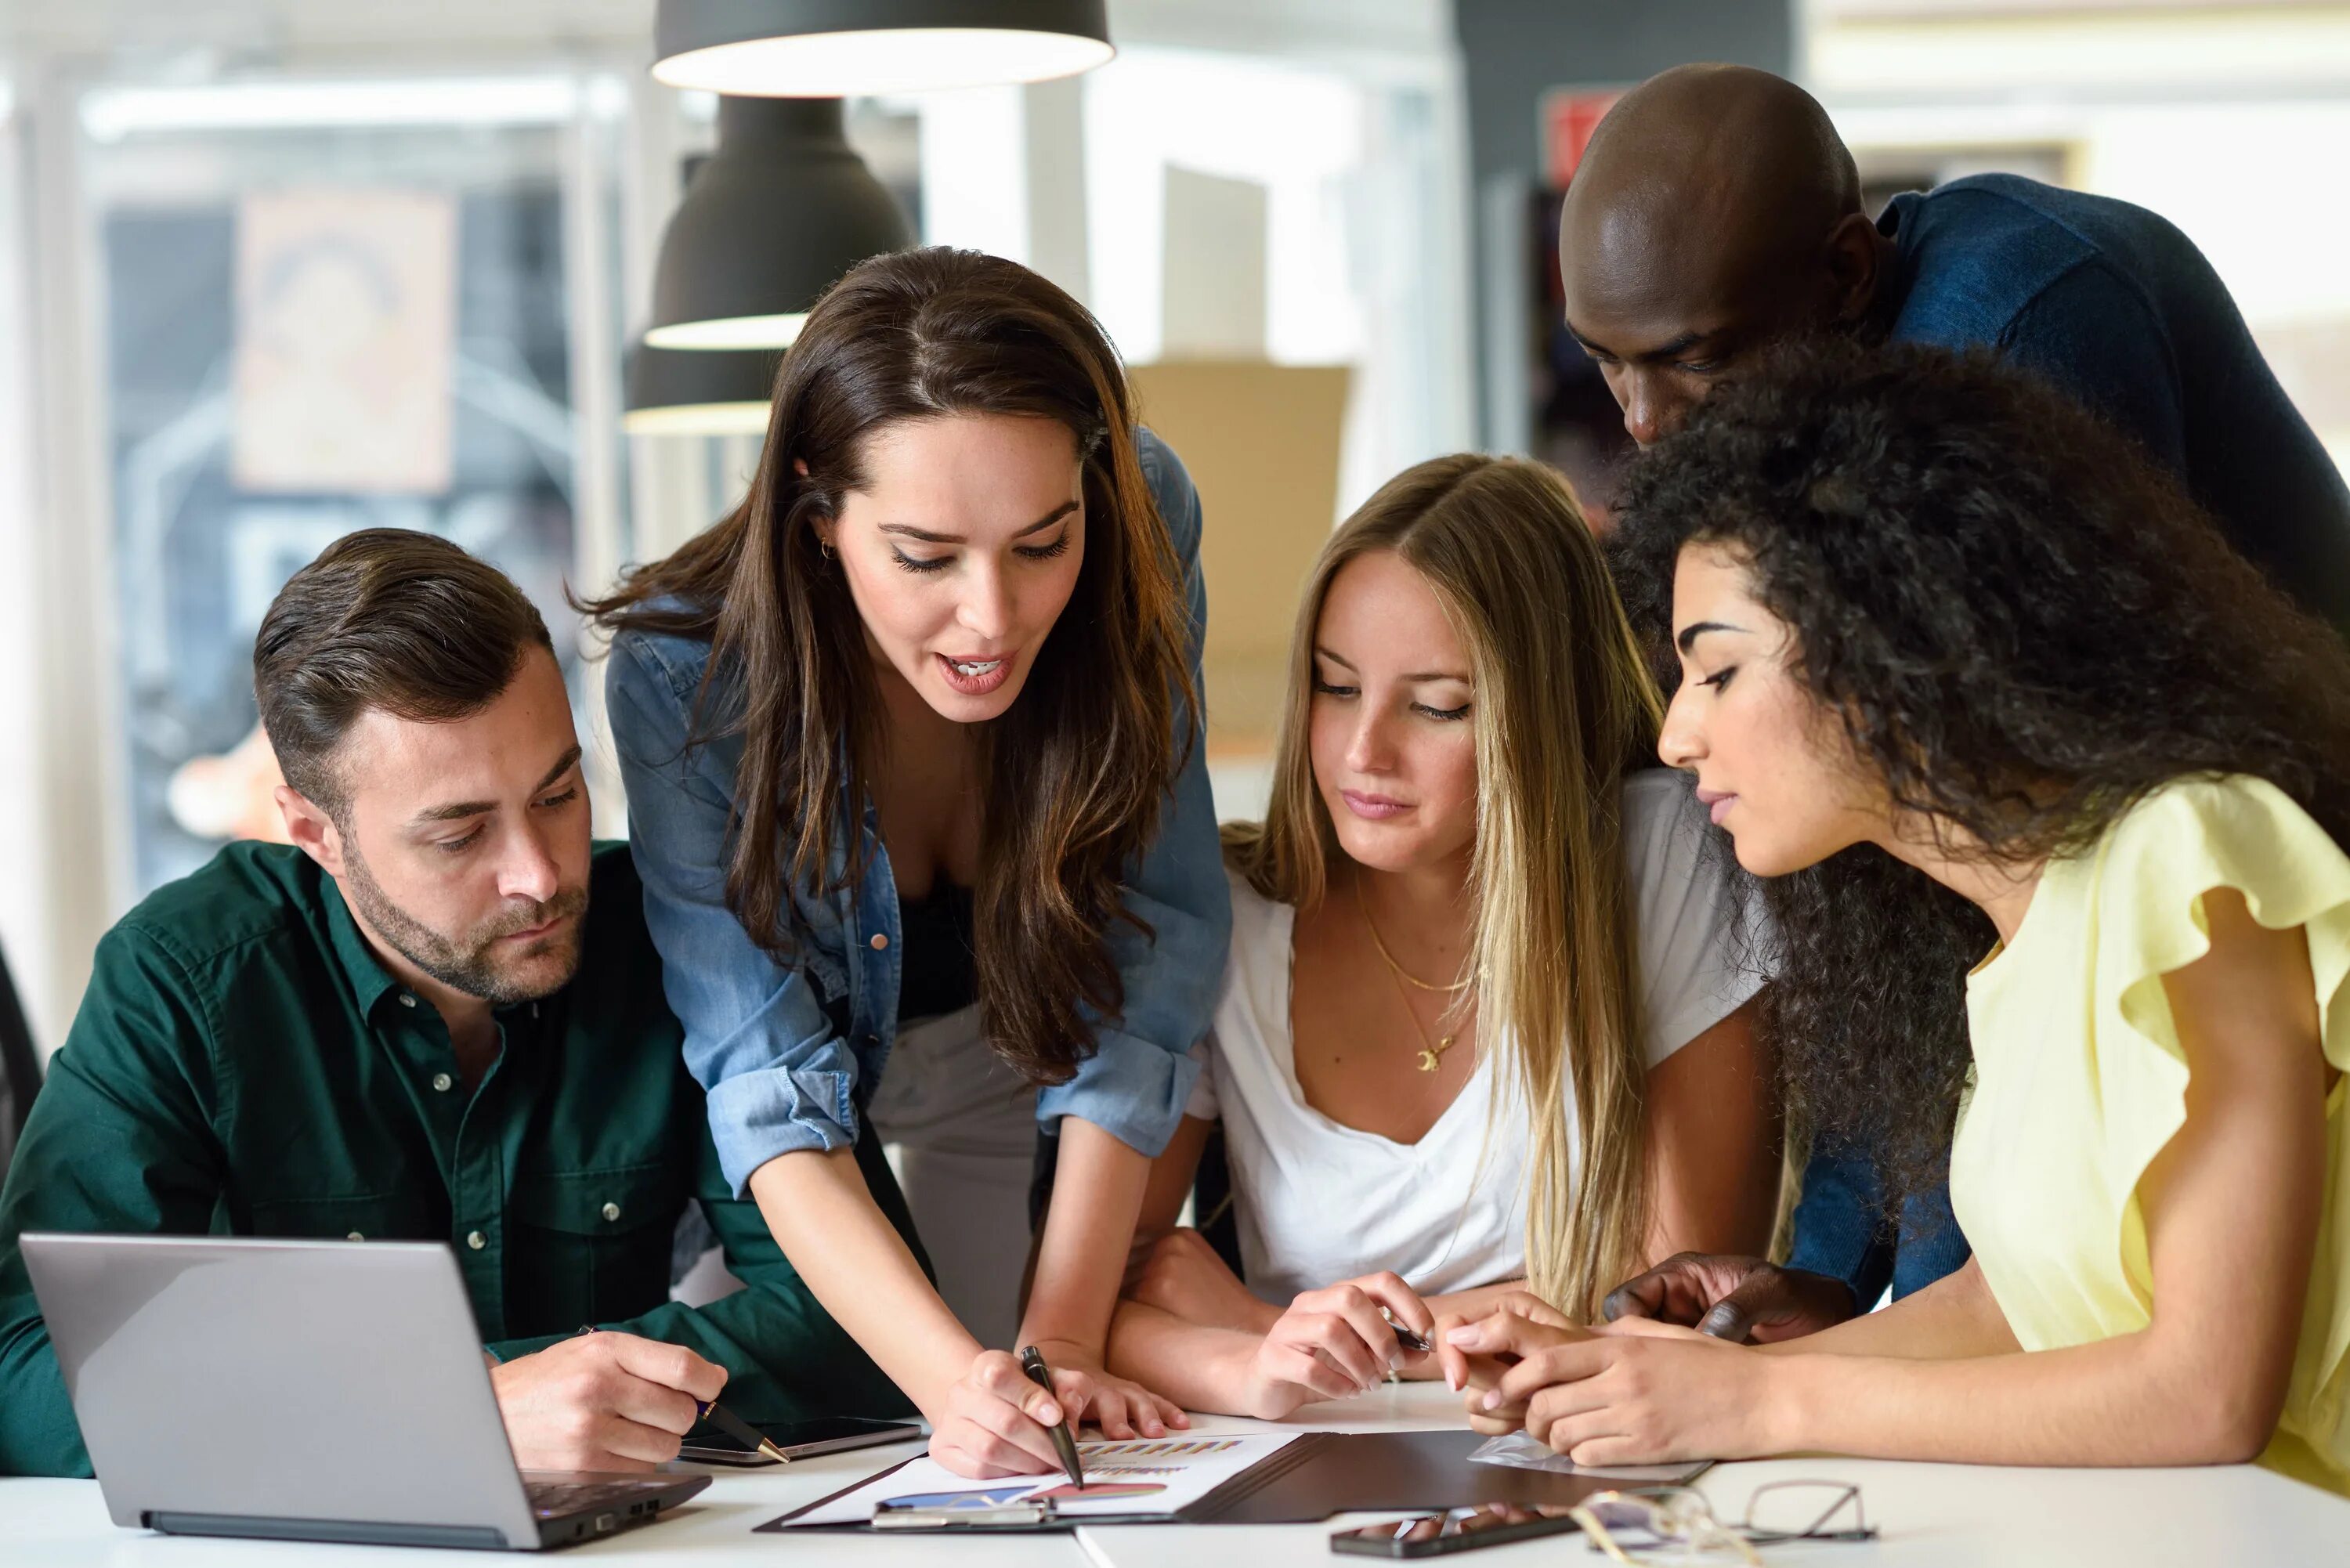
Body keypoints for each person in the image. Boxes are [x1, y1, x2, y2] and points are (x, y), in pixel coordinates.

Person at [1446, 340, 2350, 1494]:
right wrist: (1637, 1370)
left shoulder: (2189, 860)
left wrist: (1761, 1396)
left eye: (1716, 672)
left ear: (1890, 641)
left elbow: (2208, 1389)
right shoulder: (2011, 932)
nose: (1676, 736)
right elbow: (2017, 1306)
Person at [1556, 61, 2350, 1335]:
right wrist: (1829, 1272)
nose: (1646, 423)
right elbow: (1887, 885)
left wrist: (1887, 1319)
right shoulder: (1811, 424)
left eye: (1691, 359)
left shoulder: (2017, 337)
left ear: (1848, 278)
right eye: (1605, 365)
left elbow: (1979, 892)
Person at [0, 530, 898, 1478]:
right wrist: (446, 1410)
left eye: (559, 794)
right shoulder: (184, 980)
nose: (540, 875)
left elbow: (865, 1323)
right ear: (314, 832)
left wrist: (525, 1397)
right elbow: (25, 1374)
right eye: (459, 834)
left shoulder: (673, 940)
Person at [588, 247, 1231, 1481]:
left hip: (1031, 1049)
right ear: (817, 514)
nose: (992, 617)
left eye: (1044, 543)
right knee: (846, 1444)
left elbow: (1155, 942)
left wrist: (1058, 1341)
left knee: (1052, 1434)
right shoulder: (685, 673)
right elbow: (767, 1082)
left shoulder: (1148, 518)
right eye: (926, 558)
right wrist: (956, 1385)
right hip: (803, 1133)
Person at [1102, 454, 1779, 1420]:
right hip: (1305, 1469)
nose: (1362, 752)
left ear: (1537, 716)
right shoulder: (1230, 914)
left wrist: (1270, 1325)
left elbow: (1675, 1304)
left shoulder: (1665, 857)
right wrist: (1251, 1359)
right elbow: (1104, 1308)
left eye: (1436, 706)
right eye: (1336, 688)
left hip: (1589, 1452)